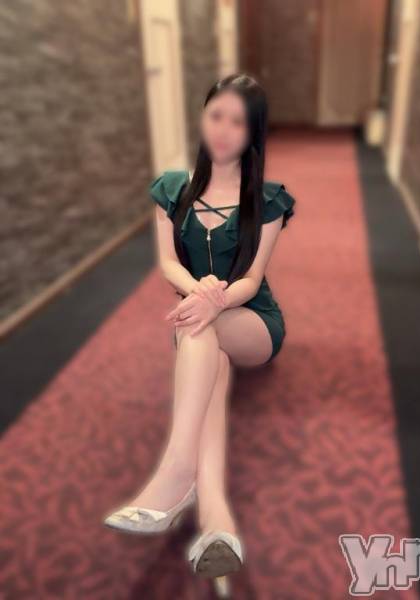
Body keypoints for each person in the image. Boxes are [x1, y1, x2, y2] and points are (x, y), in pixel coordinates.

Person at [103, 73, 296, 592]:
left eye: (238, 122)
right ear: (203, 117)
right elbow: (168, 263)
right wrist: (199, 292)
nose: (224, 130)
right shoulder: (173, 189)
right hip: (198, 317)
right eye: (217, 116)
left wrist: (215, 300)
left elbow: (252, 279)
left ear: (253, 134)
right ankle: (216, 521)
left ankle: (176, 470)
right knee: (205, 347)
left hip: (251, 319)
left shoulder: (268, 200)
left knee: (199, 335)